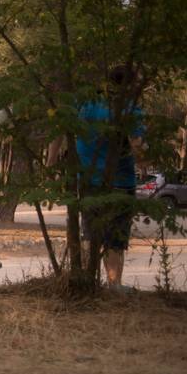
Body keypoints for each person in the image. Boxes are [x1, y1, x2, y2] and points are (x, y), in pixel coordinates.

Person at [76, 65, 146, 287]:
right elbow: (137, 147)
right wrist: (146, 159)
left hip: (88, 181)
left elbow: (64, 132)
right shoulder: (130, 111)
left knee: (90, 235)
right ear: (130, 85)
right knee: (115, 239)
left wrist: (51, 162)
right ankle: (114, 287)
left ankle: (87, 282)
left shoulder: (87, 105)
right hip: (120, 183)